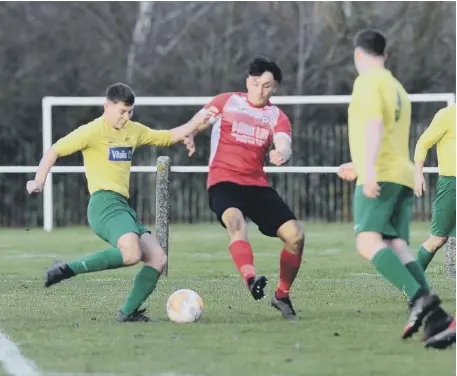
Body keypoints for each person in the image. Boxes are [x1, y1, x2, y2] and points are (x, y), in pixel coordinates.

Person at [26, 83, 213, 323]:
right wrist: (37, 182)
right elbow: (53, 151)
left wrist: (198, 120)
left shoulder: (133, 131)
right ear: (107, 106)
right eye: (122, 111)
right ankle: (66, 268)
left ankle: (128, 313)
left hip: (122, 207)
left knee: (157, 258)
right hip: (104, 204)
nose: (126, 117)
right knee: (132, 253)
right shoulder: (92, 131)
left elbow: (168, 137)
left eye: (130, 112)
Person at [337, 29, 450, 339]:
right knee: (397, 244)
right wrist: (361, 163)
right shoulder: (397, 86)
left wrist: (369, 170)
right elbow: (387, 132)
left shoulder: (367, 82)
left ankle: (419, 298)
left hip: (382, 172)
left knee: (366, 241)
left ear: (358, 55)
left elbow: (374, 124)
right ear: (384, 55)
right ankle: (440, 321)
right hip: (399, 172)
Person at [183, 57, 304, 321]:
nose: (261, 91)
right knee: (235, 222)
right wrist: (190, 133)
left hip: (256, 185)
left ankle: (281, 295)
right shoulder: (227, 101)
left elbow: (284, 142)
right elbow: (199, 120)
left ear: (275, 88)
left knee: (295, 236)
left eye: (268, 86)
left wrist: (282, 153)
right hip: (224, 182)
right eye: (257, 83)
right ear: (248, 81)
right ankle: (251, 278)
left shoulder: (276, 116)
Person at [414, 104, 456, 271]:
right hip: (451, 186)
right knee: (437, 239)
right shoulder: (447, 114)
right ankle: (412, 284)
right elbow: (423, 143)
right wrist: (418, 174)